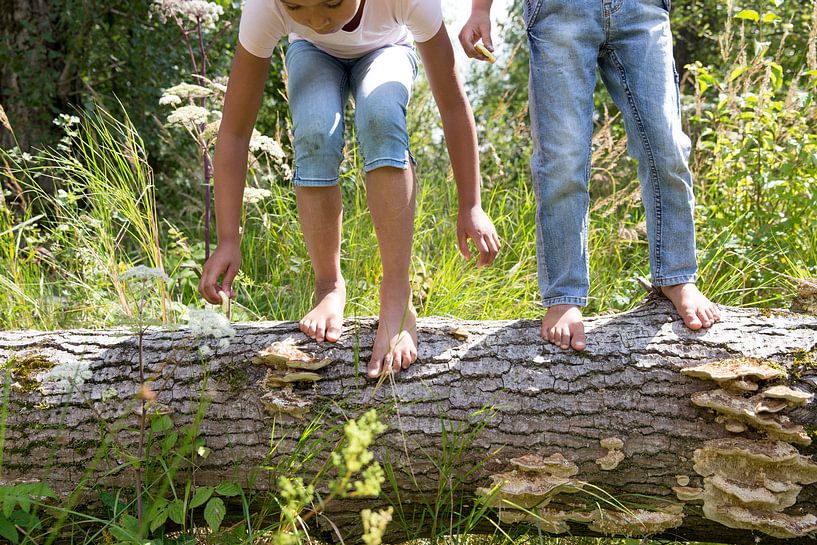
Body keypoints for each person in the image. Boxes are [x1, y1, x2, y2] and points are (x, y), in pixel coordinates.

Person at [199, 0, 501, 377]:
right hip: (311, 54)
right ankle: (328, 286)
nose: (317, 19)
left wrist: (471, 204)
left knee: (381, 114)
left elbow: (453, 106)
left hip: (388, 48)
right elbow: (234, 131)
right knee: (314, 131)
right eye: (296, 7)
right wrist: (228, 238)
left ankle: (396, 295)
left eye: (332, 3)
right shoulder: (266, 6)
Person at [459, 0, 720, 351]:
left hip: (641, 9)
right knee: (563, 158)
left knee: (666, 145)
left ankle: (677, 275)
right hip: (560, 10)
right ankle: (564, 294)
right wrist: (480, 10)